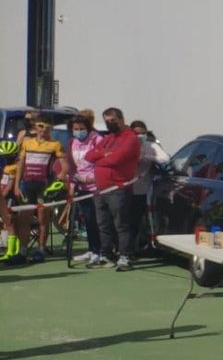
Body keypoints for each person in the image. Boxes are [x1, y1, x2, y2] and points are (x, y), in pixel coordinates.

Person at [84, 107, 142, 272]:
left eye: (113, 121)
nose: (110, 124)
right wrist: (105, 153)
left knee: (121, 225)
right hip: (100, 189)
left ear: (121, 119)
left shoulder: (130, 138)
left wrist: (101, 157)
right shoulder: (108, 138)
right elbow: (89, 156)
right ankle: (106, 255)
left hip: (118, 188)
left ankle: (125, 256)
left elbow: (117, 159)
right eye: (107, 121)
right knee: (103, 224)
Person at [14, 116, 66, 262]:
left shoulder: (55, 144)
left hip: (44, 187)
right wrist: (17, 185)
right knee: (24, 219)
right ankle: (23, 251)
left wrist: (58, 181)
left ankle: (41, 250)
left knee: (43, 219)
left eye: (47, 128)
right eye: (41, 126)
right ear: (35, 127)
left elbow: (65, 166)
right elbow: (20, 165)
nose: (44, 130)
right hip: (27, 185)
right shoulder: (27, 142)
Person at [67, 111, 106, 266]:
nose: (78, 131)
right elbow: (71, 166)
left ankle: (100, 251)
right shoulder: (72, 142)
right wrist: (72, 184)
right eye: (75, 129)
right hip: (80, 186)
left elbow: (102, 163)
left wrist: (92, 178)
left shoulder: (97, 139)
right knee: (87, 220)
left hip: (96, 187)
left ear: (88, 127)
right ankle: (92, 249)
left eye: (81, 128)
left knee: (97, 220)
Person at [128, 120, 171, 253]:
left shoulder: (150, 146)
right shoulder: (126, 145)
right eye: (136, 133)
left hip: (142, 191)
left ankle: (136, 247)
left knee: (138, 221)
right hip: (126, 190)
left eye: (142, 133)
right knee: (125, 223)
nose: (139, 136)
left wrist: (147, 157)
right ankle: (124, 248)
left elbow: (165, 158)